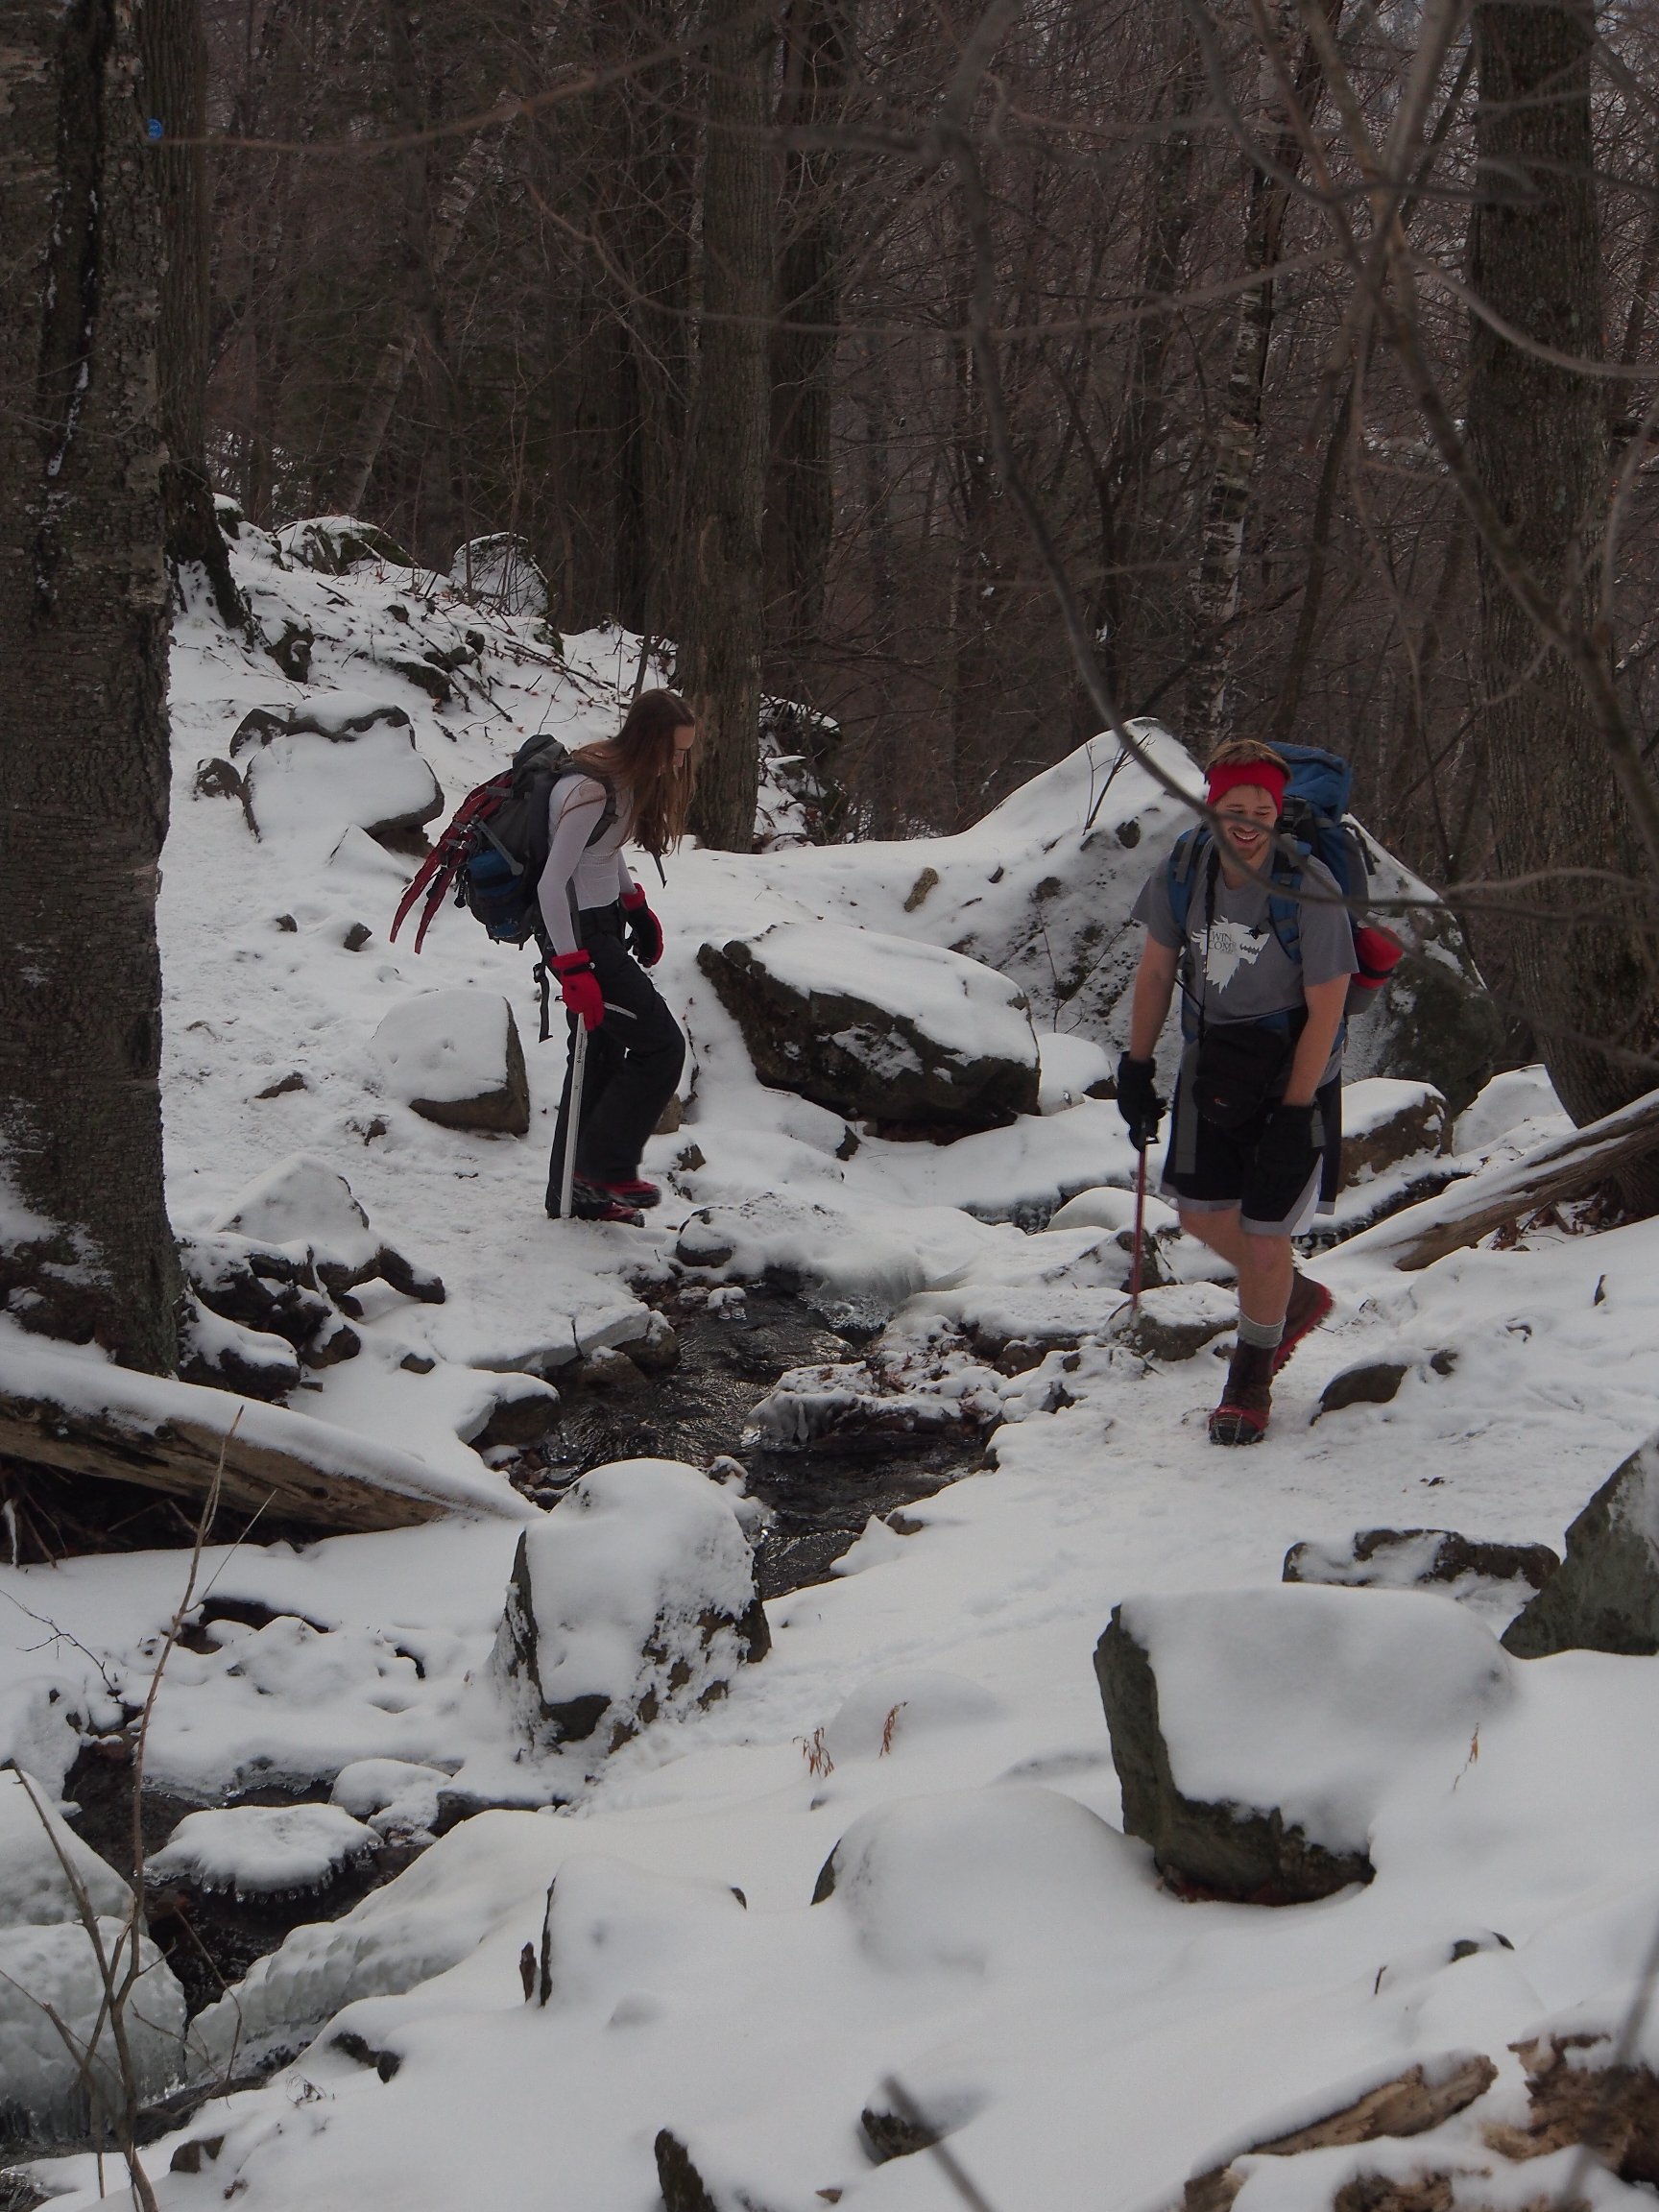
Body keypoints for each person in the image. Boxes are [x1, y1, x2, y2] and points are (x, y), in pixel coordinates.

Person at [1116, 738, 1351, 1444]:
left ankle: (1249, 1383)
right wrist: (1136, 1067)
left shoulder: (1309, 886)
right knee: (1199, 1216)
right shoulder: (1184, 869)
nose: (1247, 823)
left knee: (1265, 1236)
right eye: (1233, 808)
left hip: (1293, 1072)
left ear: (1278, 814)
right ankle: (1291, 1299)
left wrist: (1296, 1111)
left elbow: (1329, 1007)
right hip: (1214, 1063)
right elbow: (1156, 971)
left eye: (1262, 811)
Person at [541, 688, 695, 1225]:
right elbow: (551, 885)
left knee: (600, 1058)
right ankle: (604, 1169)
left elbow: (603, 851)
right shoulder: (590, 790)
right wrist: (572, 966)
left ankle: (576, 1194)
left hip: (602, 924)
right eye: (675, 751)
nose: (679, 763)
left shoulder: (622, 780)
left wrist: (634, 904)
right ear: (649, 741)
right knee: (661, 1047)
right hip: (579, 935)